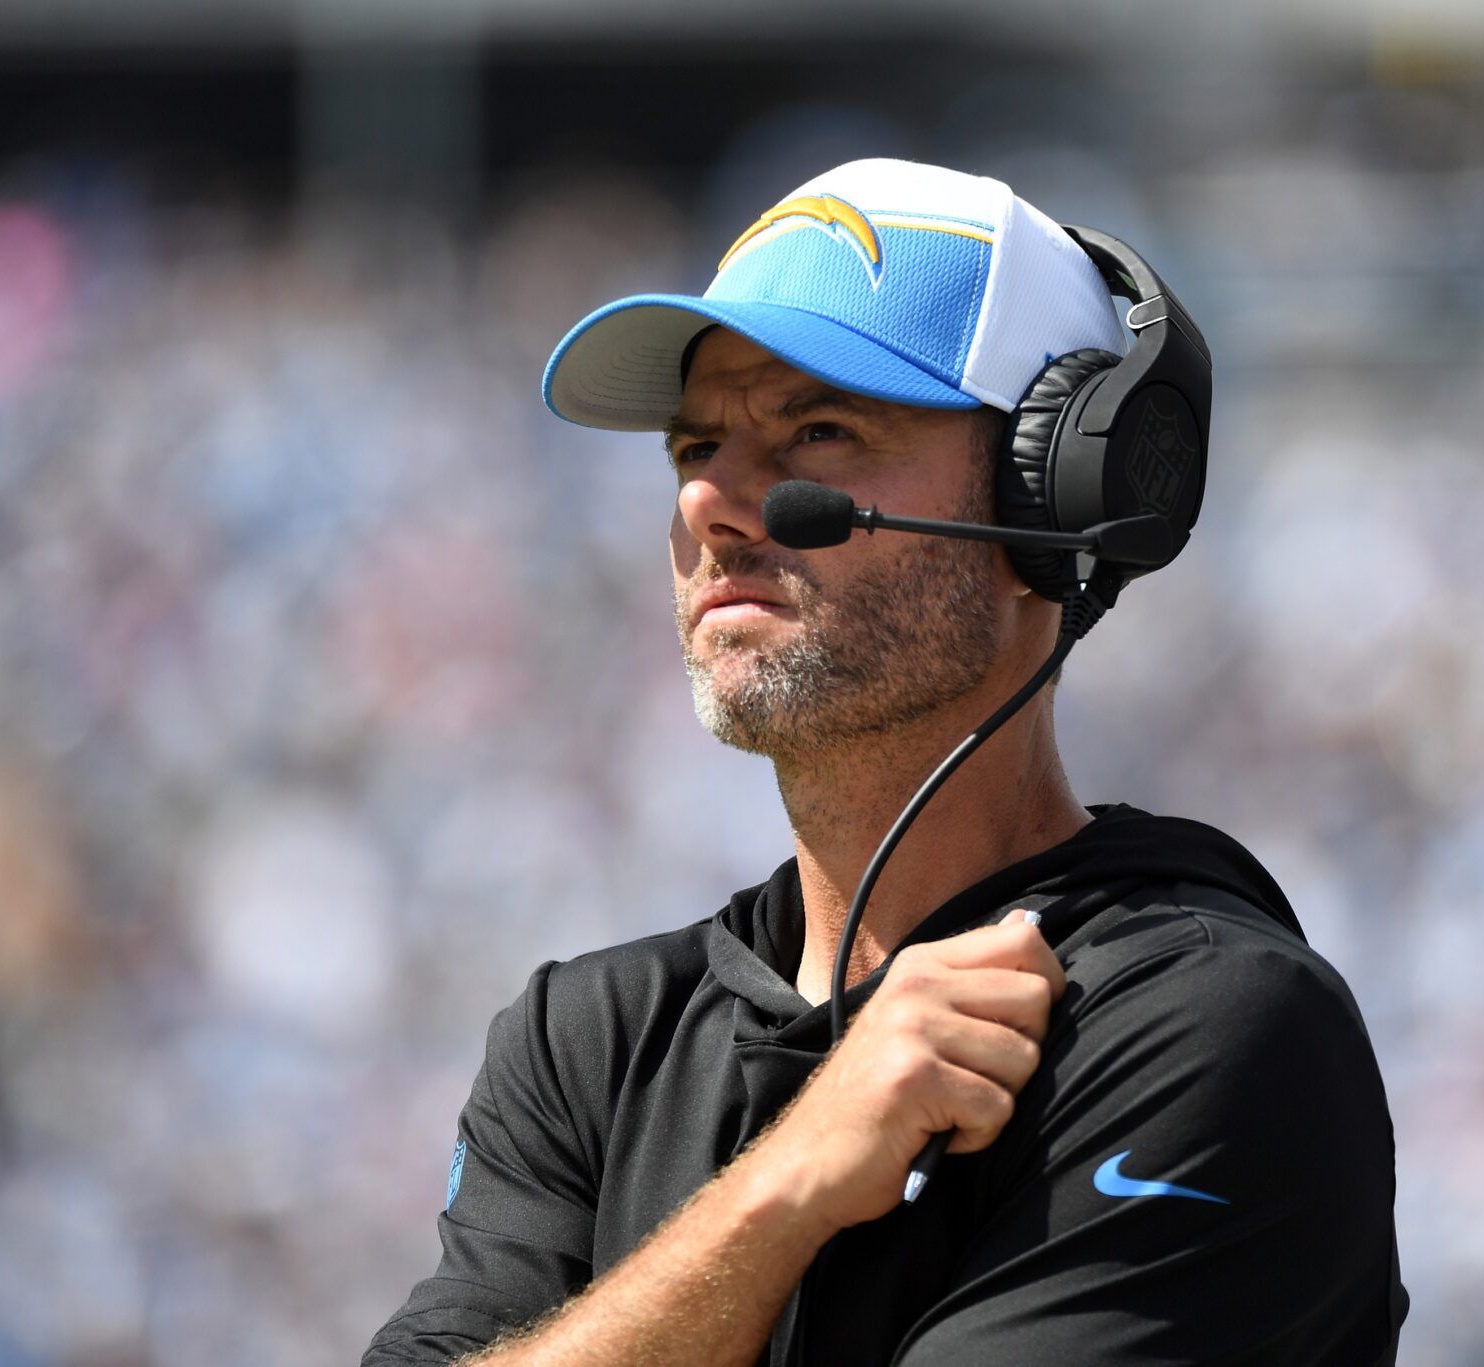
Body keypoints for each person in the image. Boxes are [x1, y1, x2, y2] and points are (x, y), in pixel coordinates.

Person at [363, 159, 1406, 1365]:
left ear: (1055, 490)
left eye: (819, 427)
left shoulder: (1210, 1026)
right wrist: (787, 1185)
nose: (712, 497)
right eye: (695, 442)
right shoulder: (583, 1037)